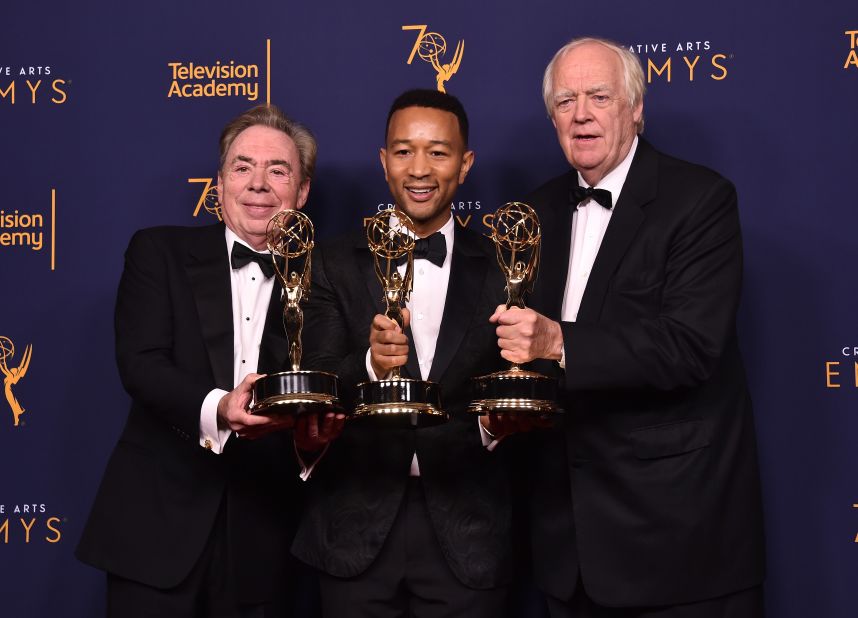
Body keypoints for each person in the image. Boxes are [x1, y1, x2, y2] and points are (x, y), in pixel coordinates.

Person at [490, 38, 766, 617]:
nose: (581, 114)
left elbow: (689, 347)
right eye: (566, 101)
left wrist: (557, 341)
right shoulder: (533, 213)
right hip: (566, 553)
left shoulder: (701, 200)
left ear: (636, 108)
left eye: (599, 96)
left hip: (678, 547)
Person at [76, 104, 335, 617]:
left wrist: (312, 443)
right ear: (219, 185)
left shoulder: (327, 280)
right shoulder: (158, 252)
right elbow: (141, 363)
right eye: (243, 167)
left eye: (278, 170)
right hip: (153, 533)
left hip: (265, 540)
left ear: (302, 192)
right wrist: (220, 408)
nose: (258, 184)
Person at [291, 89, 520, 618]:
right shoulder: (329, 261)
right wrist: (370, 365)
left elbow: (515, 387)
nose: (420, 169)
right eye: (403, 151)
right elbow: (314, 381)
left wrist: (493, 425)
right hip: (352, 533)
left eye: (438, 153)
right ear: (383, 162)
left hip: (469, 533)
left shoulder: (503, 267)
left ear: (465, 165)